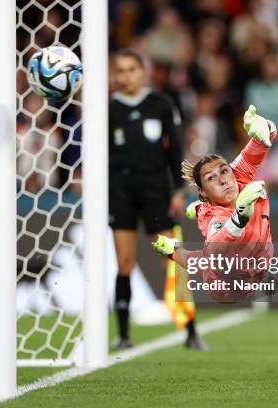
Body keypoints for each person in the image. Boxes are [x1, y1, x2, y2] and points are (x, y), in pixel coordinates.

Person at [109, 49, 205, 349]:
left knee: (172, 260)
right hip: (120, 190)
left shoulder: (160, 104)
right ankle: (123, 335)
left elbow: (174, 149)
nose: (126, 76)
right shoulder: (109, 108)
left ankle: (191, 331)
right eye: (120, 70)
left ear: (143, 71)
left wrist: (178, 189)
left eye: (131, 69)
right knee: (124, 262)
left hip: (155, 190)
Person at [152, 105, 276, 303]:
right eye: (211, 178)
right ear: (202, 190)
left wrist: (265, 127)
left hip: (260, 262)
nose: (223, 180)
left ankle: (196, 209)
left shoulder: (238, 174)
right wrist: (239, 217)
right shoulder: (215, 218)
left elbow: (265, 138)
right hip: (229, 285)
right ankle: (174, 251)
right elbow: (215, 249)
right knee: (204, 263)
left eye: (224, 171)